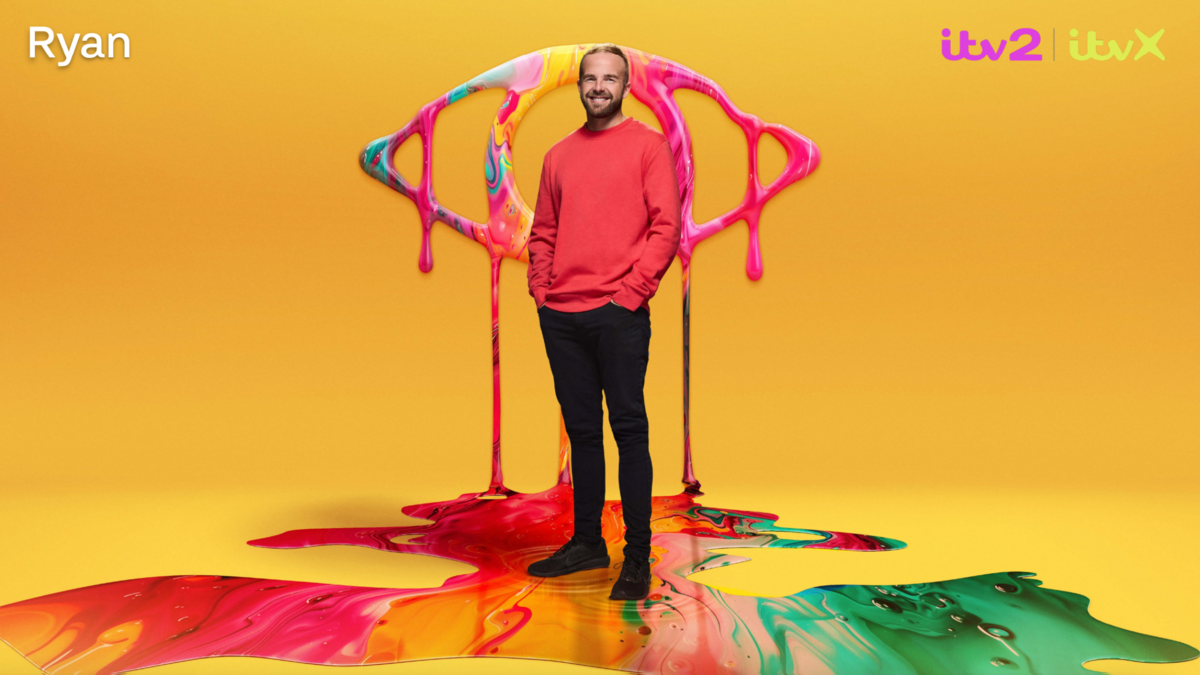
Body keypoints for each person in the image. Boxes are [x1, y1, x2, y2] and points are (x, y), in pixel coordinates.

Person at [524, 44, 682, 601]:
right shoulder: (557, 155)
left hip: (619, 313)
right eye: (590, 78)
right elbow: (542, 231)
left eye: (609, 79)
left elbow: (666, 227)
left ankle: (635, 559)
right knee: (583, 434)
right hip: (562, 315)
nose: (598, 87)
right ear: (580, 86)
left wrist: (631, 295)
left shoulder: (648, 146)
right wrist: (541, 292)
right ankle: (587, 542)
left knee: (629, 431)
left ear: (625, 86)